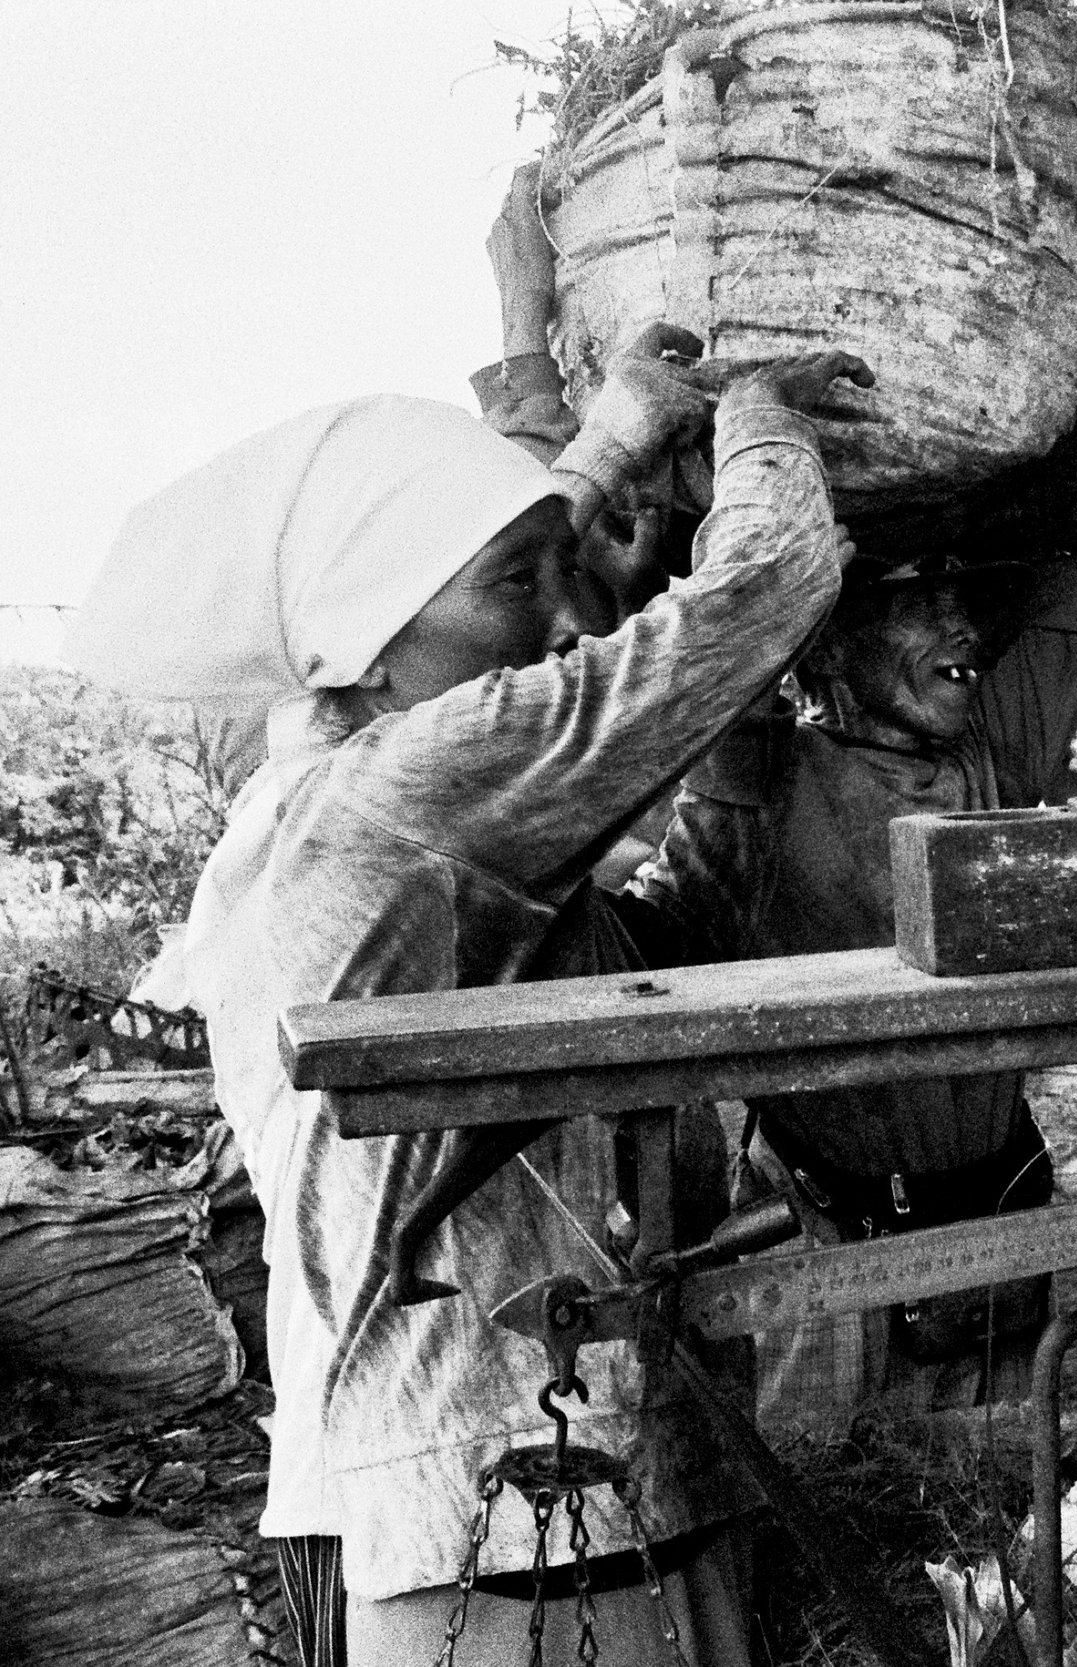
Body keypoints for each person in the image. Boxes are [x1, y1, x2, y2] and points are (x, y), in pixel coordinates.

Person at [68, 336, 872, 1666]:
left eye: (563, 570)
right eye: (520, 582)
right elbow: (772, 579)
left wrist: (621, 455)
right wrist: (757, 412)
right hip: (509, 1540)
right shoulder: (400, 800)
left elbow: (675, 940)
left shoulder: (397, 825)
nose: (568, 616)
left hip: (581, 1499)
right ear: (364, 643)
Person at [628, 540, 1077, 1396]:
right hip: (821, 1251)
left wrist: (939, 515)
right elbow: (657, 935)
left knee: (1008, 1503)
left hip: (997, 1240)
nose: (963, 625)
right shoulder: (762, 784)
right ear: (822, 638)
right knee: (823, 1504)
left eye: (963, 599)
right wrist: (779, 575)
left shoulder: (996, 749)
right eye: (918, 598)